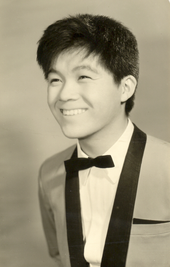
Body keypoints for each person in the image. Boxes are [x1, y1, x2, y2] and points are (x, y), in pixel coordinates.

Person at [36, 14, 170, 267]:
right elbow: (57, 255)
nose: (64, 94)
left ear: (125, 88)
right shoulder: (49, 173)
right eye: (55, 80)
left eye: (83, 77)